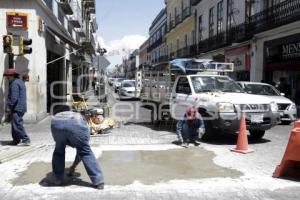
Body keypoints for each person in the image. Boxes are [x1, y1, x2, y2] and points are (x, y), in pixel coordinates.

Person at [50, 111, 104, 189]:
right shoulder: (85, 123)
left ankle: (57, 179)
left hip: (56, 123)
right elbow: (81, 152)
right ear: (94, 118)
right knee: (86, 152)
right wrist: (73, 166)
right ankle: (98, 181)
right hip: (75, 122)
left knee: (59, 151)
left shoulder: (82, 114)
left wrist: (72, 167)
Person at [4, 68, 31, 146]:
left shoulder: (15, 83)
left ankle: (25, 139)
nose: (7, 78)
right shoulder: (19, 82)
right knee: (14, 124)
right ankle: (16, 140)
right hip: (19, 107)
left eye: (8, 76)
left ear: (12, 75)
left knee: (17, 124)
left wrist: (9, 107)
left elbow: (14, 98)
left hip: (17, 107)